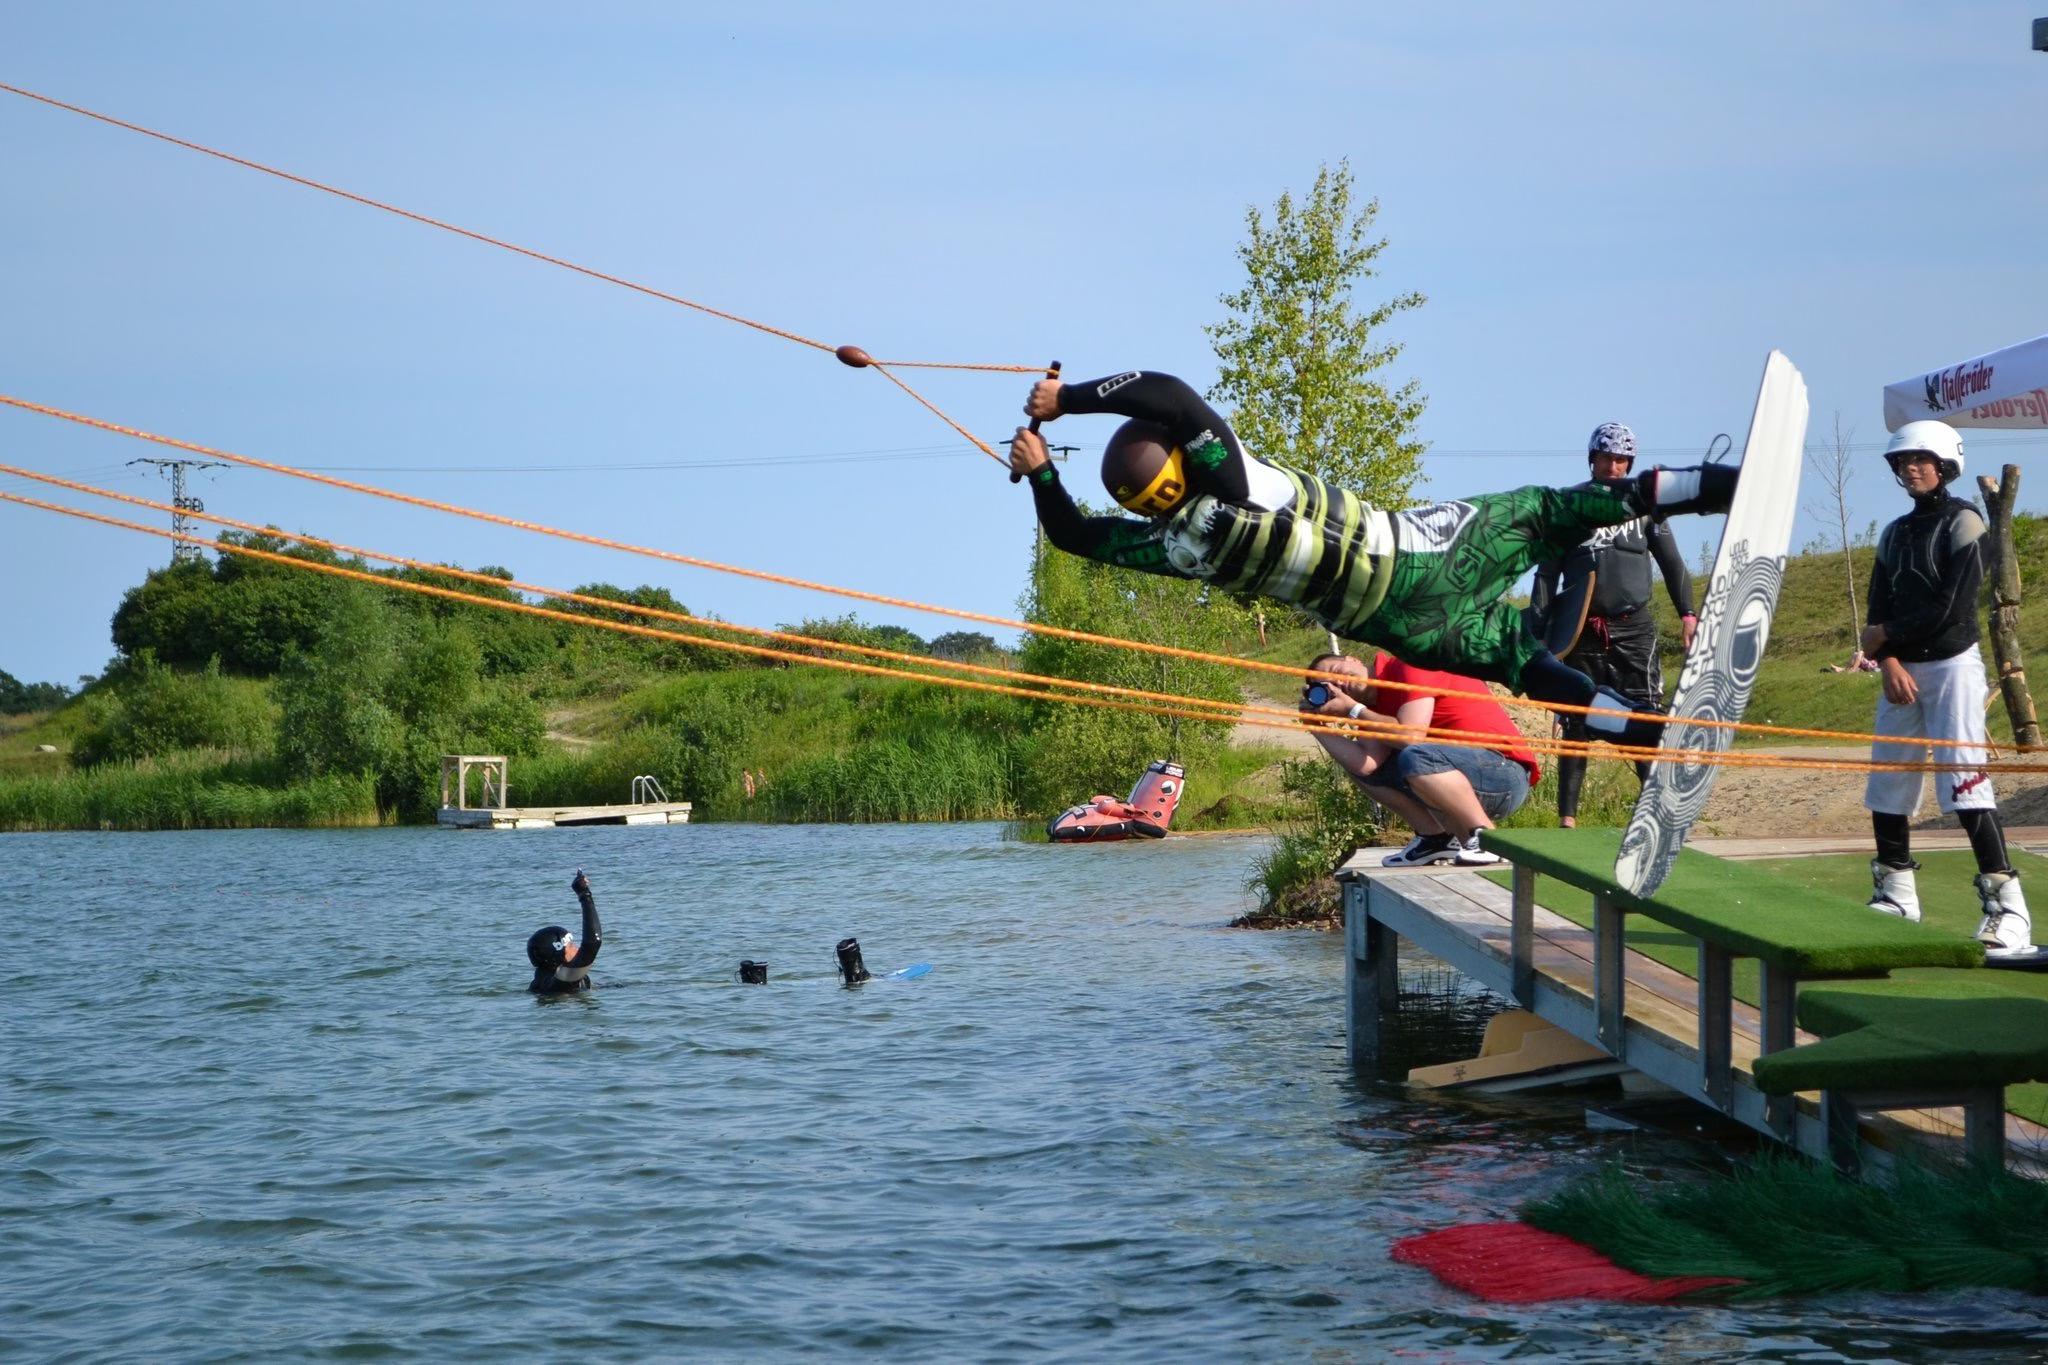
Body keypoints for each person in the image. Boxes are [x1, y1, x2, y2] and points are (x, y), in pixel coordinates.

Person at [1008, 369, 1737, 750]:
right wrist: (1066, 399)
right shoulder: (1233, 480)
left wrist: (1042, 470)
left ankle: (1641, 731)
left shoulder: (1174, 545)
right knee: (1555, 511)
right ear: (1180, 460)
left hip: (1392, 624)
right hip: (1418, 555)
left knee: (1523, 664)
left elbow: (1075, 534)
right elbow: (1170, 394)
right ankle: (1715, 488)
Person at [1860, 420, 2036, 959]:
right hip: (1901, 673)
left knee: (1964, 783)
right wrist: (1887, 660)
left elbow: (1952, 610)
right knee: (1887, 781)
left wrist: (1885, 638)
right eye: (1902, 461)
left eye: (1920, 460)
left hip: (1954, 666)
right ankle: (1896, 894)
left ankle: (2008, 909)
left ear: (1944, 465)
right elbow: (1876, 612)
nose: (1910, 468)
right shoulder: (1893, 533)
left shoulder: (1966, 522)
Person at [1529, 422, 1697, 826]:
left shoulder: (1644, 507)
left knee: (1644, 716)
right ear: (1593, 459)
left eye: (1622, 459)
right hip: (1579, 629)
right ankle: (1567, 819)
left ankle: (1654, 813)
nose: (1614, 466)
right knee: (1576, 719)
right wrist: (1537, 632)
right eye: (1607, 458)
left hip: (1634, 628)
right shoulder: (1569, 506)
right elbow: (1546, 575)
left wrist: (1688, 615)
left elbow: (1672, 564)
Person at [1299, 651, 1542, 867]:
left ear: (1352, 659)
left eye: (1337, 671)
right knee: (1367, 768)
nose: (1340, 683)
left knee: (1415, 754)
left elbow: (1412, 737)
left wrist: (1353, 709)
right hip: (1459, 774)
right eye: (1331, 687)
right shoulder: (1368, 706)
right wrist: (1315, 726)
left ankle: (1488, 840)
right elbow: (1367, 764)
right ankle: (1436, 839)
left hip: (1504, 773)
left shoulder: (1410, 663)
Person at [527, 869, 603, 994]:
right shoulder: (560, 982)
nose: (577, 949)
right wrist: (585, 895)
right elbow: (592, 944)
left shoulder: (551, 978)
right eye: (570, 945)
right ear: (557, 954)